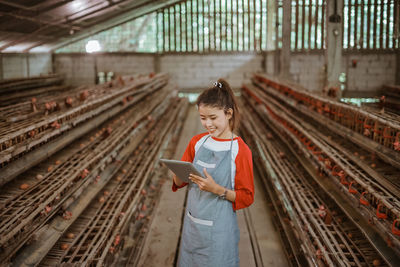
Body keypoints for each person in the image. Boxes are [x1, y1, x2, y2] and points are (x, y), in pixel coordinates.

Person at [172, 78, 254, 267]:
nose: (207, 124)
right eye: (203, 118)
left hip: (219, 234)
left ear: (228, 114)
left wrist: (217, 189)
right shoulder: (197, 142)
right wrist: (177, 174)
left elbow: (247, 196)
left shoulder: (240, 150)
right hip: (193, 228)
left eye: (213, 118)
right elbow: (179, 182)